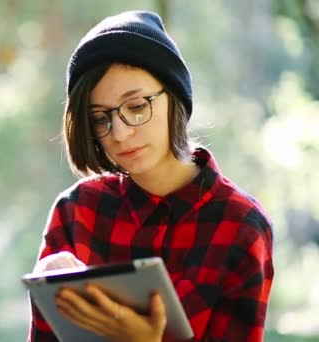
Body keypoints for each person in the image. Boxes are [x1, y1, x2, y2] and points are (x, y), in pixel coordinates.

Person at [28, 10, 274, 342]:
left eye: (137, 107)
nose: (120, 133)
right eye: (101, 118)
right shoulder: (75, 212)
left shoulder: (242, 226)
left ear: (174, 99)